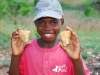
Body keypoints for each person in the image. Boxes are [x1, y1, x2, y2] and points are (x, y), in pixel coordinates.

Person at [9, 0, 90, 75]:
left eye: (54, 22)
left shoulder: (69, 50)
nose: (47, 28)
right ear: (35, 23)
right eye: (41, 23)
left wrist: (76, 60)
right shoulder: (26, 48)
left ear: (61, 22)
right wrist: (16, 56)